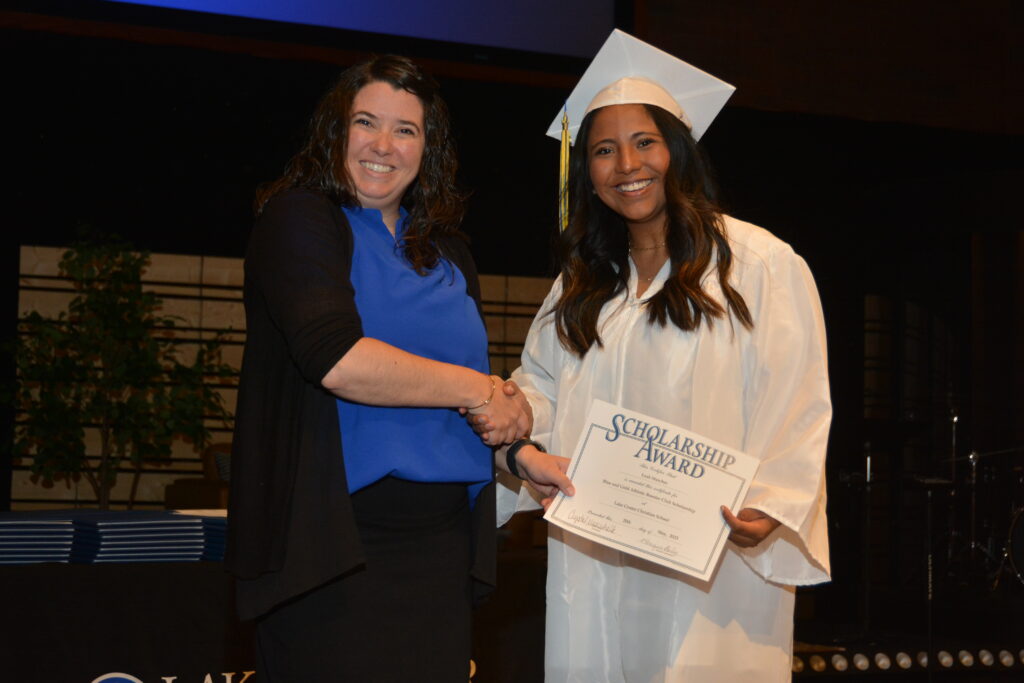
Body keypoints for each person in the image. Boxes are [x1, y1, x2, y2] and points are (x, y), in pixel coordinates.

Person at [486, 30, 832, 682]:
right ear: (586, 171)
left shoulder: (759, 266)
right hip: (596, 558)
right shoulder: (583, 281)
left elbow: (798, 401)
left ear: (678, 149)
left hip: (712, 569)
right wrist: (512, 408)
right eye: (603, 150)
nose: (626, 165)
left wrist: (775, 503)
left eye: (644, 142)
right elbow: (542, 384)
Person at [224, 55, 530, 682]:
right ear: (336, 131)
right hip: (336, 545)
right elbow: (335, 359)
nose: (383, 145)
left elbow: (453, 408)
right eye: (366, 122)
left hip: (441, 545)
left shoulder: (448, 252)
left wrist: (520, 454)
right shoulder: (301, 220)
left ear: (429, 147)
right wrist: (483, 390)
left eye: (406, 129)